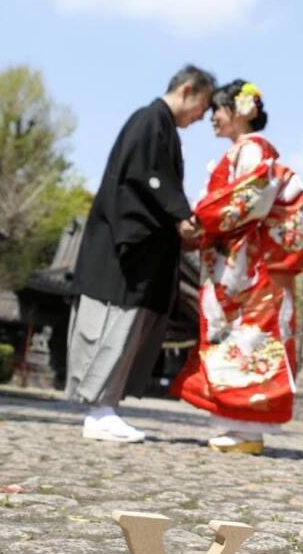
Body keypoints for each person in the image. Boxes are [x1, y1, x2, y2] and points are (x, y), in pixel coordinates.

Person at [66, 64, 215, 442]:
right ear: (186, 90)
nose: (202, 117)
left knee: (130, 330)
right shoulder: (149, 120)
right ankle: (99, 410)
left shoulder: (161, 126)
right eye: (203, 105)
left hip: (143, 248)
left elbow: (156, 182)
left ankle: (107, 408)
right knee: (114, 325)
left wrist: (180, 220)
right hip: (126, 248)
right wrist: (182, 216)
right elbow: (146, 177)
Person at [170, 79, 303, 454]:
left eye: (219, 109)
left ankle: (245, 428)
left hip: (248, 266)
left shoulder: (255, 151)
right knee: (229, 337)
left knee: (247, 338)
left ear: (240, 111)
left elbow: (248, 200)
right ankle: (235, 424)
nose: (213, 117)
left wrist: (201, 219)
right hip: (233, 261)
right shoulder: (242, 153)